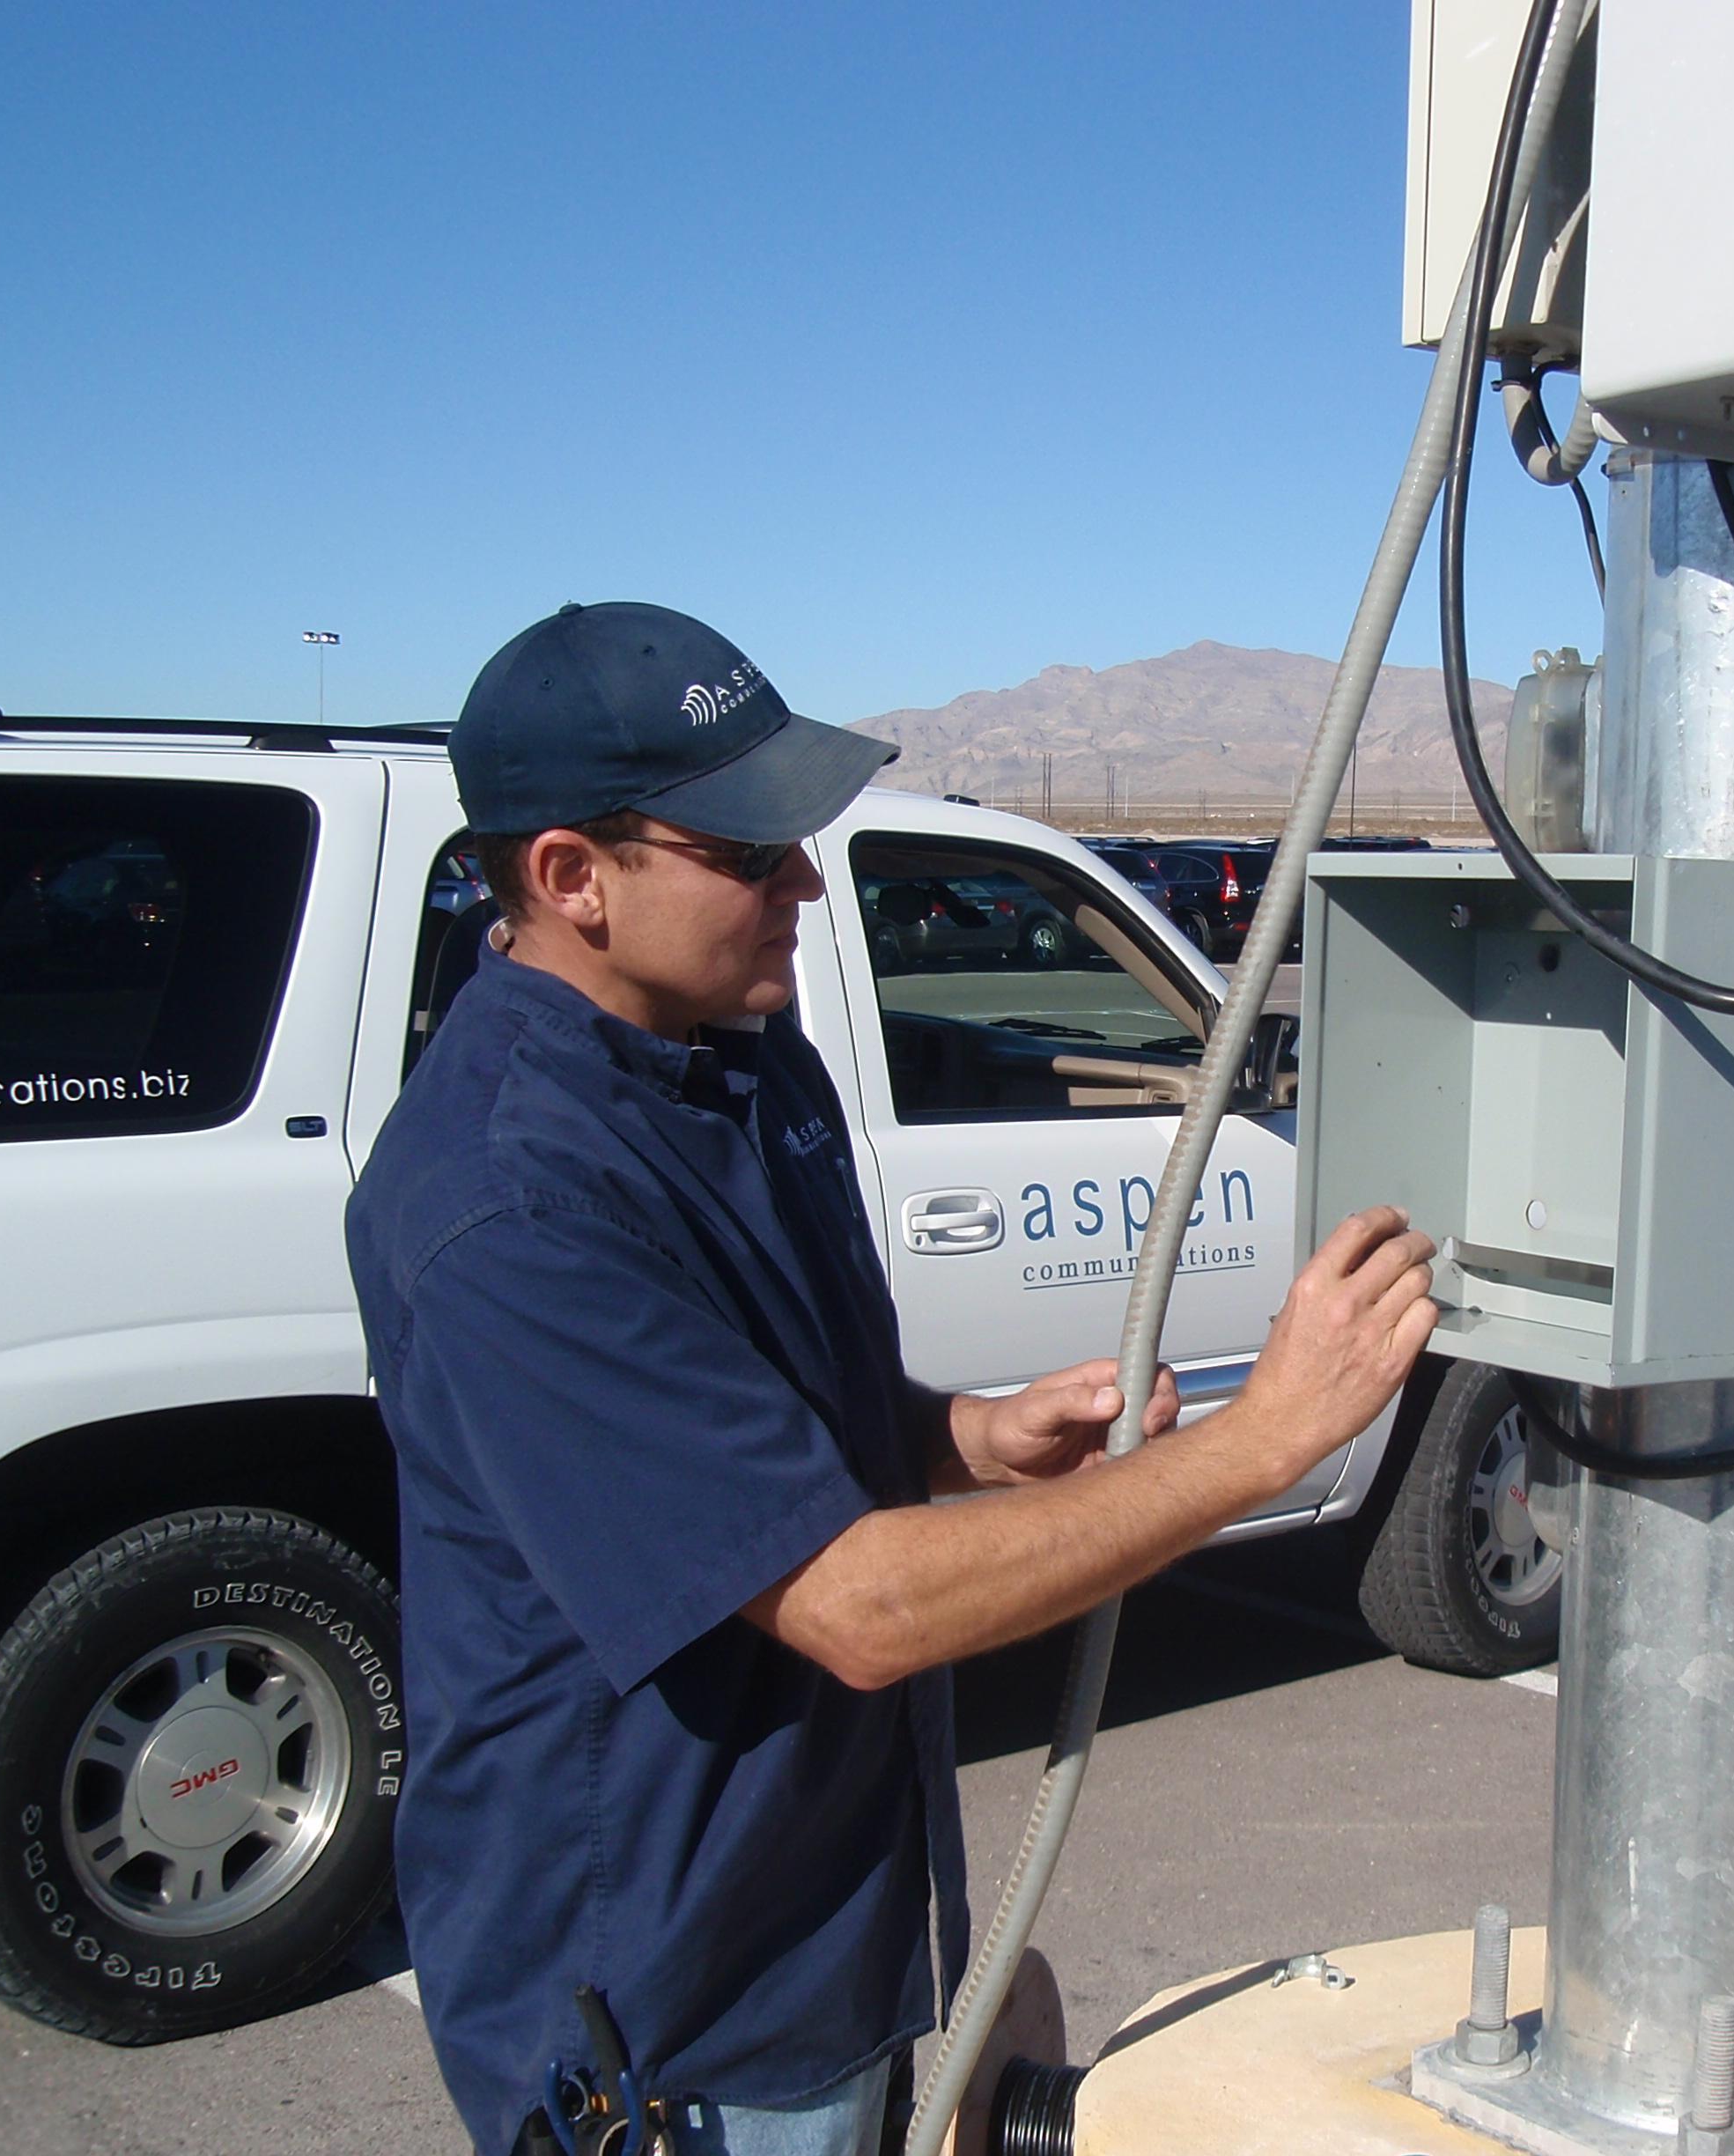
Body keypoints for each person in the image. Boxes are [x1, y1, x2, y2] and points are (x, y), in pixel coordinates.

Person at [345, 602, 1437, 2155]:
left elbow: (766, 1423)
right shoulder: (507, 1200)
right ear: (571, 879)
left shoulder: (742, 1056)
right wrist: (1261, 1445)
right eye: (746, 850)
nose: (805, 878)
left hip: (833, 1936)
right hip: (670, 2021)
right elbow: (856, 1608)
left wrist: (961, 1438)